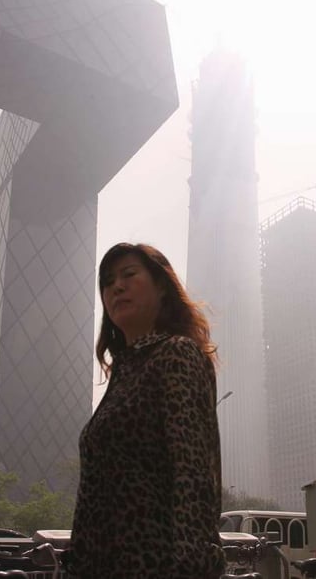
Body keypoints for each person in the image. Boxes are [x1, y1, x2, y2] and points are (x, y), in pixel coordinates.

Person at [68, 243, 224, 579]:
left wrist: (190, 565)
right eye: (108, 282)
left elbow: (192, 470)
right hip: (103, 564)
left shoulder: (175, 355)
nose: (117, 287)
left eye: (129, 275)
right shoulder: (125, 371)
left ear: (162, 286)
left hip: (155, 564)